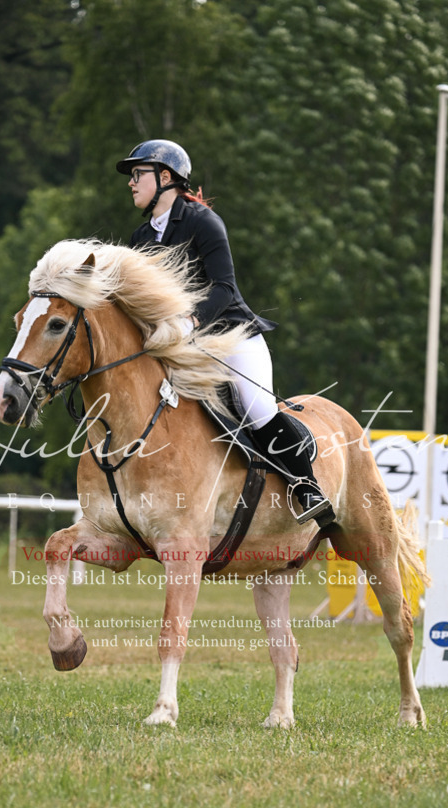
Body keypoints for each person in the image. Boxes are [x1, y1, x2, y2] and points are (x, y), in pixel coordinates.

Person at [116, 139, 334, 526]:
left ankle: (307, 487)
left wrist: (186, 323)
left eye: (138, 174)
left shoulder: (202, 222)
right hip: (178, 347)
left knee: (256, 407)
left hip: (230, 336)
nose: (131, 183)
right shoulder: (140, 239)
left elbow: (224, 288)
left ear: (165, 178)